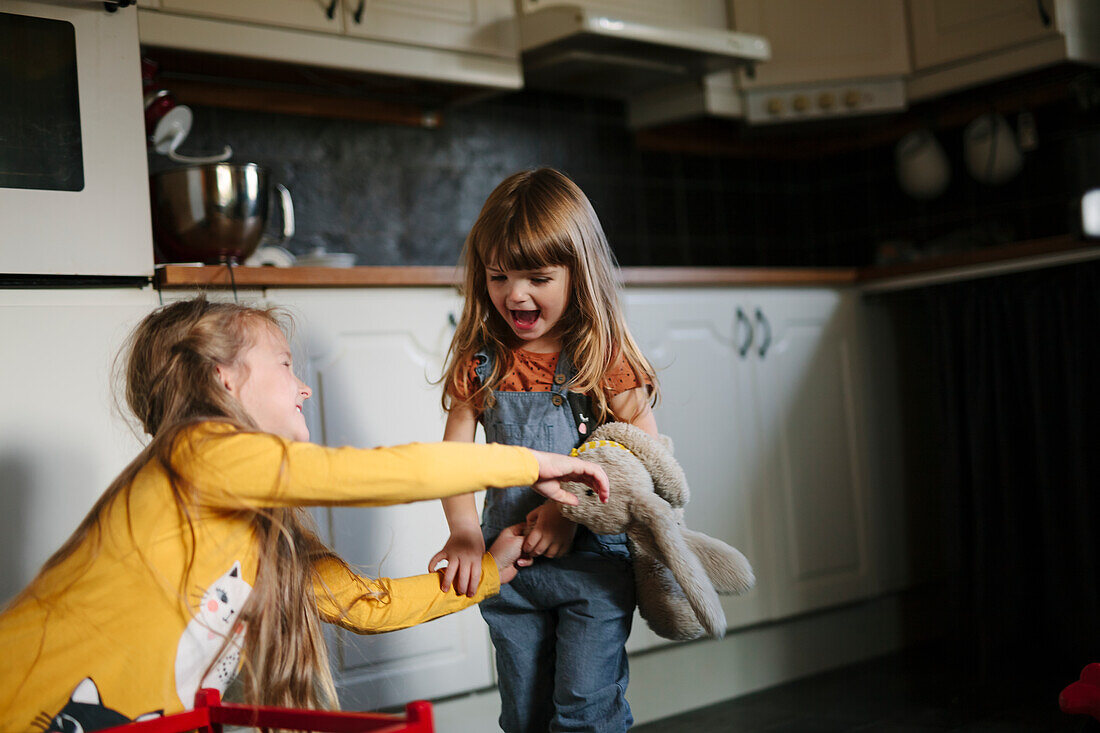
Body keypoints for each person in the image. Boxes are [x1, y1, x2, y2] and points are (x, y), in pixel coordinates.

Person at [0, 297, 609, 733]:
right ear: (225, 378)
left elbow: (368, 605)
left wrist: (497, 568)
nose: (304, 386)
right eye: (286, 364)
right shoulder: (195, 452)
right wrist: (528, 463)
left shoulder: (265, 525)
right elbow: (358, 475)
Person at [430, 168, 660, 732]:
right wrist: (463, 534)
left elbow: (644, 455)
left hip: (593, 568)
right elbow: (452, 461)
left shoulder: (601, 359)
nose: (515, 293)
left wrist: (567, 511)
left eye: (537, 276)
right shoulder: (481, 364)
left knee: (585, 709)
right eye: (499, 275)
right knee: (523, 715)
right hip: (509, 568)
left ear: (578, 274)